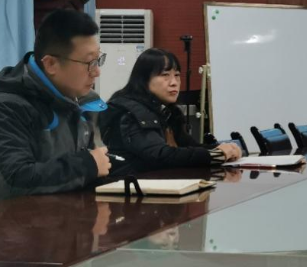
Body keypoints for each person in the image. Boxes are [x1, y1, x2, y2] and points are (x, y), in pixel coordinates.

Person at [0, 10, 111, 200]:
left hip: (62, 215)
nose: (97, 72)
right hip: (0, 218)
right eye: (89, 62)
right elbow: (15, 182)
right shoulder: (3, 109)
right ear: (51, 64)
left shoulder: (80, 102)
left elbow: (88, 173)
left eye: (98, 60)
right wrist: (87, 166)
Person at [100, 48, 241, 175]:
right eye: (165, 75)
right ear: (144, 79)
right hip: (132, 187)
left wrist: (222, 149)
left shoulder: (167, 111)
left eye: (177, 75)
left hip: (161, 184)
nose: (174, 82)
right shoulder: (131, 112)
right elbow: (159, 155)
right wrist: (214, 155)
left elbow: (189, 147)